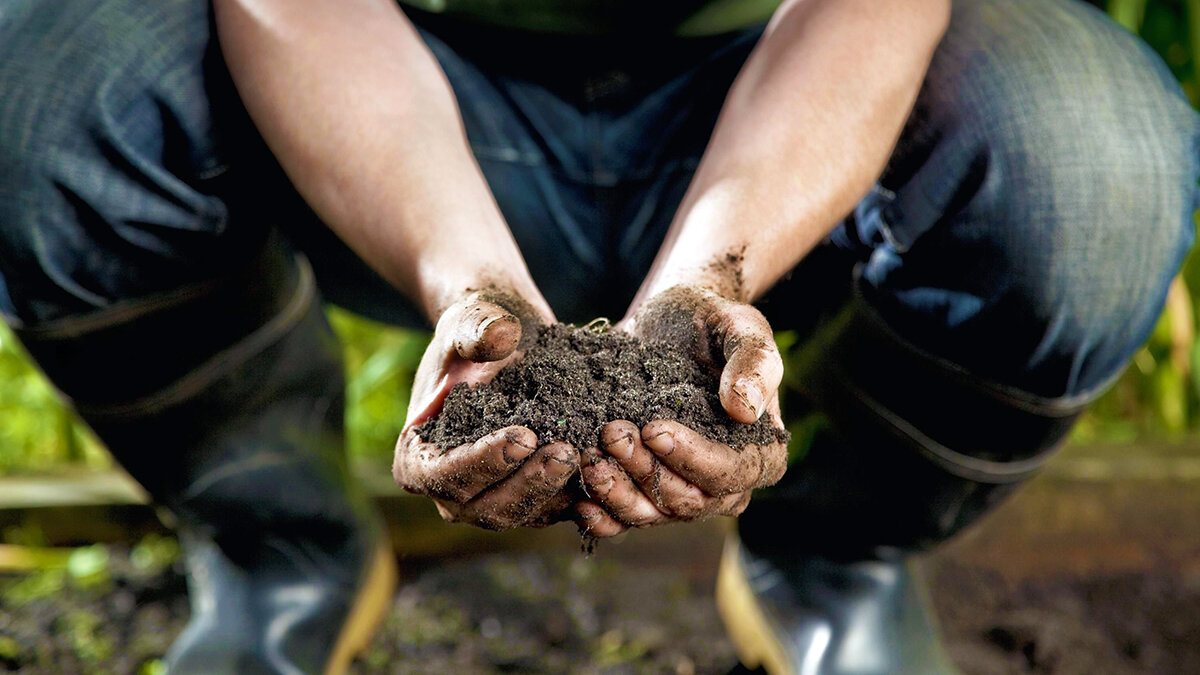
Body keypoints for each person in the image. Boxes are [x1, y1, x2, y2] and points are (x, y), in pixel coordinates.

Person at [0, 0, 1195, 672]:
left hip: (785, 114)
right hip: (400, 108)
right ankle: (282, 550)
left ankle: (834, 555)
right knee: (43, 89)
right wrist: (467, 277)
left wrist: (711, 277)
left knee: (1094, 161)